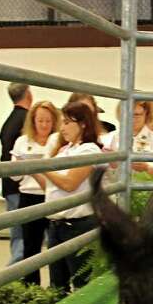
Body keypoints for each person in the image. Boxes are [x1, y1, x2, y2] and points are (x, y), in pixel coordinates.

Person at [31, 101, 104, 291]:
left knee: (82, 283)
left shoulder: (89, 150)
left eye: (67, 122)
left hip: (77, 224)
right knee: (57, 285)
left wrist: (43, 167)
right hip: (56, 223)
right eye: (62, 123)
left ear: (83, 124)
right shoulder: (65, 150)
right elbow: (51, 186)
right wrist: (31, 169)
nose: (62, 128)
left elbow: (70, 183)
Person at [10, 100, 60, 286]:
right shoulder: (22, 141)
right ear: (33, 121)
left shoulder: (58, 141)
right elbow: (14, 177)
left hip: (53, 197)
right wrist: (20, 165)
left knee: (55, 246)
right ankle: (31, 290)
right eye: (40, 121)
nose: (44, 125)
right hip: (29, 197)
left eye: (48, 121)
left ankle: (57, 288)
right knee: (30, 248)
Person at [0, 83, 33, 264]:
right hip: (21, 185)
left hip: (9, 184)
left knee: (17, 235)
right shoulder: (26, 121)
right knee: (23, 236)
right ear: (28, 94)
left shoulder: (9, 121)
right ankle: (12, 278)